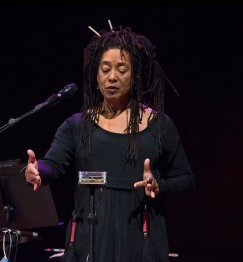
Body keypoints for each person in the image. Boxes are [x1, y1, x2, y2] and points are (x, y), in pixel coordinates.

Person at [24, 21, 195, 262]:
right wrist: (37, 170)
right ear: (96, 76)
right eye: (105, 69)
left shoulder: (160, 125)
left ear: (135, 77)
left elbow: (186, 179)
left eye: (121, 70)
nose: (112, 77)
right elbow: (53, 164)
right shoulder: (76, 125)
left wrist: (159, 186)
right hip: (89, 239)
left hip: (141, 239)